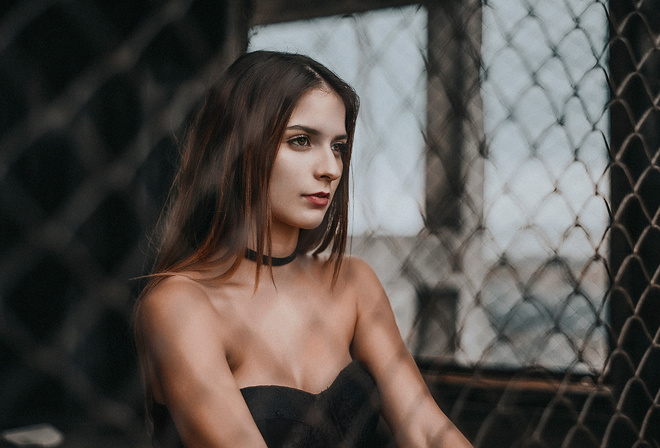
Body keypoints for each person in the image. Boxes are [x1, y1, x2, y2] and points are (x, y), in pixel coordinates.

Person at [134, 50, 473, 448]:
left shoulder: (352, 283)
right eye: (301, 140)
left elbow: (429, 433)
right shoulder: (179, 304)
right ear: (239, 148)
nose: (330, 167)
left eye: (338, 147)